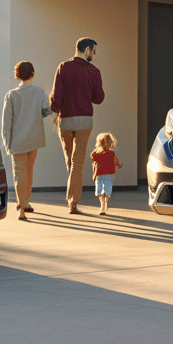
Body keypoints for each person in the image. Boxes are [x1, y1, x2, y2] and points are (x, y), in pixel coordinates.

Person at [50, 37, 105, 214]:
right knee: (77, 163)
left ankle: (72, 199)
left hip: (65, 120)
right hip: (84, 121)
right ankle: (73, 203)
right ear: (86, 49)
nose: (94, 54)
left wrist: (55, 110)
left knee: (71, 161)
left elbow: (56, 97)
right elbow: (99, 98)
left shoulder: (63, 67)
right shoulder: (94, 71)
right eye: (93, 51)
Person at [2, 61, 53, 220]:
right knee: (29, 170)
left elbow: (6, 123)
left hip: (17, 141)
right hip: (34, 139)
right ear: (32, 73)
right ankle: (25, 201)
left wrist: (6, 143)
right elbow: (46, 111)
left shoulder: (11, 95)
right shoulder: (39, 92)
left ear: (17, 75)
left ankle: (22, 206)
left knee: (19, 174)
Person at [90, 132, 123, 215]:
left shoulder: (108, 153)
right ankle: (104, 204)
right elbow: (117, 161)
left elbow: (116, 160)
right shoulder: (99, 153)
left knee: (103, 191)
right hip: (103, 174)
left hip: (104, 174)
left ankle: (103, 206)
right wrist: (119, 164)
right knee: (103, 191)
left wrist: (119, 164)